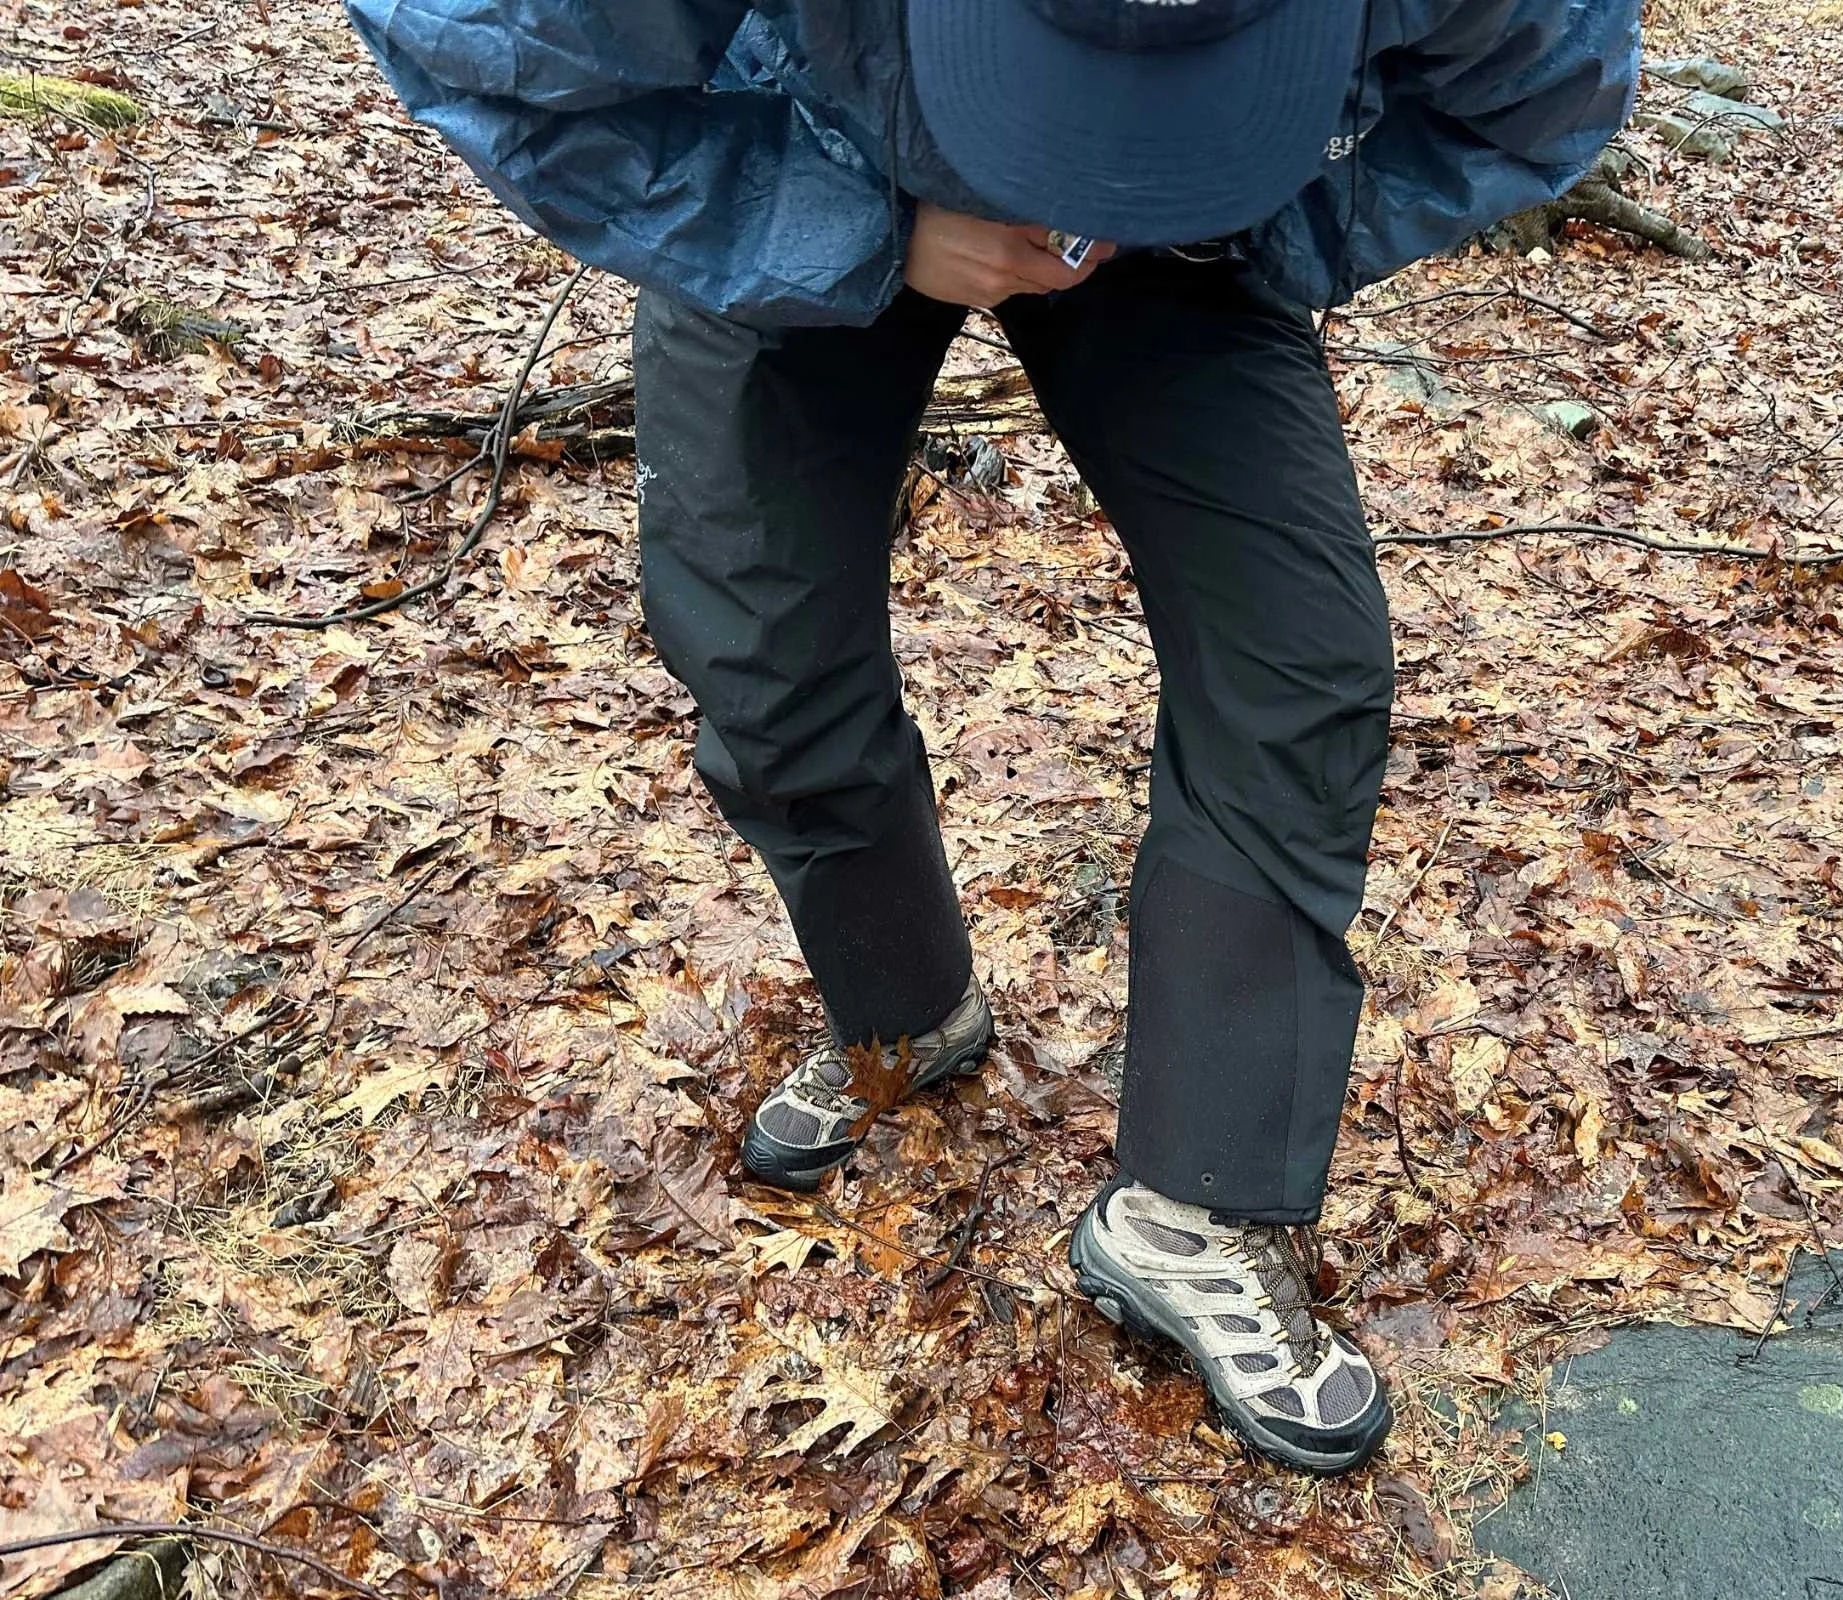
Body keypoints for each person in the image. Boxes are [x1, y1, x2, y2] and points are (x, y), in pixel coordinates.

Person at [347, 0, 1637, 1474]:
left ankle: (1202, 1204)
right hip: (813, 147)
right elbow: (482, 61)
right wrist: (865, 233)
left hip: (1193, 233)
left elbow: (1528, 106)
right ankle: (905, 1013)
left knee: (1295, 660)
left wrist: (1247, 223)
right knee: (762, 651)